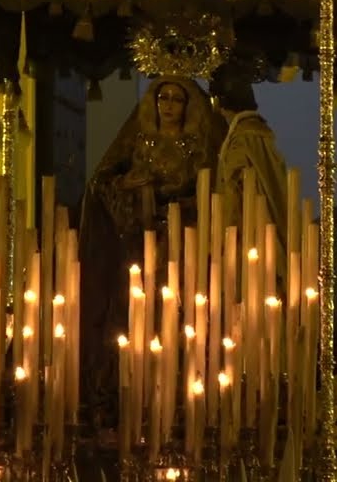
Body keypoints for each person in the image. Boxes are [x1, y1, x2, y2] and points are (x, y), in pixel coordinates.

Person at [77, 76, 224, 432]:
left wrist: (178, 208)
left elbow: (213, 191)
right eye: (163, 97)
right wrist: (127, 185)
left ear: (189, 107)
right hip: (135, 241)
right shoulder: (138, 139)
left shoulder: (198, 146)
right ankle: (124, 392)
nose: (169, 105)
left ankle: (179, 389)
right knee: (130, 312)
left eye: (177, 99)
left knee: (178, 312)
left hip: (182, 241)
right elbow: (101, 181)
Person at [210, 63, 288, 261]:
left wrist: (221, 238)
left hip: (249, 233)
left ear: (219, 102)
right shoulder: (257, 133)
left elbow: (236, 189)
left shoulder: (242, 139)